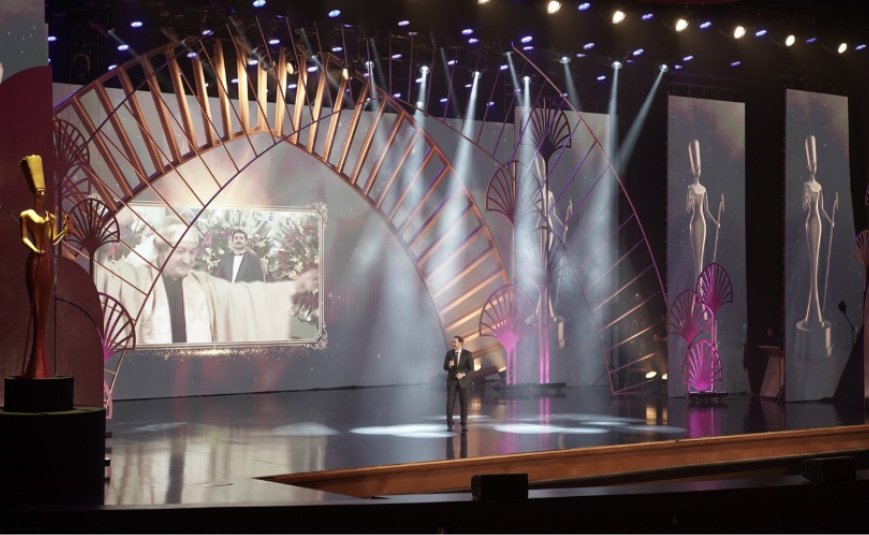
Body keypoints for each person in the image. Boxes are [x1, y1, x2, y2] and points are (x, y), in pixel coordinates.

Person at [95, 216, 318, 345]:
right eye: (180, 251)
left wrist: (295, 286)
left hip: (194, 375)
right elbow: (100, 273)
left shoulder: (203, 285)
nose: (187, 260)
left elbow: (245, 296)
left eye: (192, 252)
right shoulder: (137, 279)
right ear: (161, 250)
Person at [19, 154, 69, 378]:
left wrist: (64, 230)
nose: (42, 195)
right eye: (39, 192)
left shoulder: (50, 216)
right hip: (35, 260)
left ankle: (41, 364)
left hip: (46, 261)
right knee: (37, 309)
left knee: (45, 308)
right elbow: (24, 237)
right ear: (34, 193)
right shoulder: (26, 214)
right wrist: (35, 249)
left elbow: (53, 240)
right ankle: (36, 364)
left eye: (44, 192)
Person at [686, 139, 722, 283]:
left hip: (702, 222)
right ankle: (697, 290)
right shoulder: (690, 188)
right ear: (691, 170)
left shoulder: (704, 189)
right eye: (695, 167)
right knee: (697, 263)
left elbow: (706, 211)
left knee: (701, 260)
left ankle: (700, 292)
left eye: (699, 167)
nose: (697, 169)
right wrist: (691, 201)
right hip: (694, 223)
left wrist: (716, 223)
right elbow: (687, 209)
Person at [443, 335, 473, 432]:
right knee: (450, 404)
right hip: (452, 381)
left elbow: (471, 369)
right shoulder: (449, 353)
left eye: (454, 342)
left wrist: (463, 374)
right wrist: (449, 365)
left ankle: (464, 424)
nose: (453, 344)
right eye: (452, 342)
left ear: (460, 343)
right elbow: (445, 367)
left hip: (463, 382)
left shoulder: (468, 354)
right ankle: (450, 424)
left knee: (464, 404)